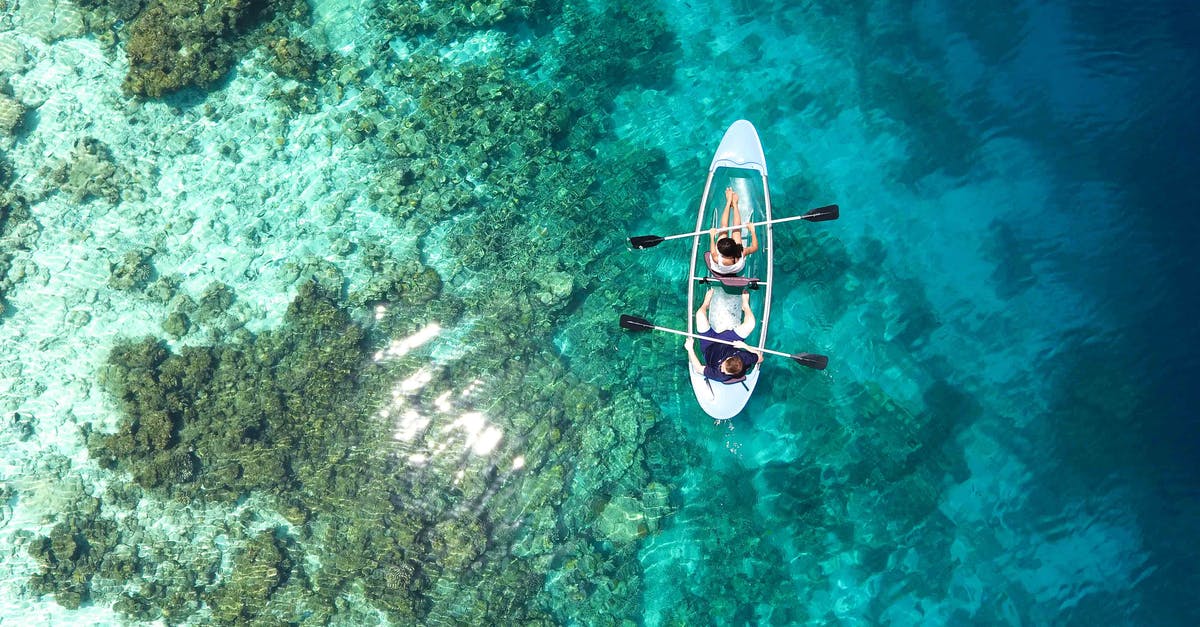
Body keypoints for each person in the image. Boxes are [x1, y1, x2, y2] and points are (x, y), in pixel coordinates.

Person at [683, 288, 765, 382]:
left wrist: (690, 348)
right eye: (723, 366)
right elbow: (760, 358)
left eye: (725, 371)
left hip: (708, 346)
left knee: (699, 315)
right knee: (750, 323)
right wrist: (745, 346)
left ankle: (706, 306)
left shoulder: (720, 375)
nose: (722, 369)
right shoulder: (743, 357)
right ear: (730, 358)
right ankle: (744, 306)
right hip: (728, 342)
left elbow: (698, 368)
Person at [707, 187, 759, 276]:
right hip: (737, 269)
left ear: (720, 252)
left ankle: (729, 203)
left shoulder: (716, 258)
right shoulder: (741, 253)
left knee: (723, 230)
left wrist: (712, 237)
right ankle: (734, 204)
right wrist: (752, 230)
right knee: (736, 231)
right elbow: (754, 247)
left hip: (720, 270)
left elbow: (712, 250)